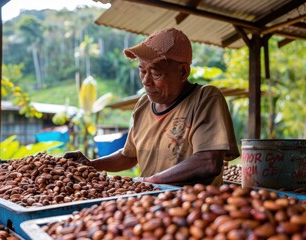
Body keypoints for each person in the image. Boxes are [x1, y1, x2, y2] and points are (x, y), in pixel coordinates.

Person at [64, 28, 240, 186]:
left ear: (183, 72)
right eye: (142, 71)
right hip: (151, 203)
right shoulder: (143, 105)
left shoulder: (204, 98)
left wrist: (151, 181)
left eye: (156, 72)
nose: (146, 81)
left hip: (193, 206)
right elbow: (129, 155)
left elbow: (208, 162)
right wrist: (91, 165)